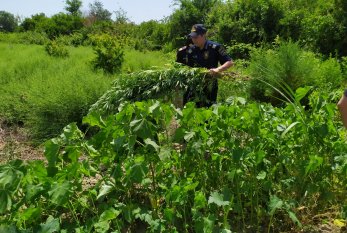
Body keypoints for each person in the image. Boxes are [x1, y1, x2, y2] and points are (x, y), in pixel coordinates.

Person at [176, 24, 233, 107]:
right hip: (193, 85)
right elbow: (186, 67)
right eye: (192, 37)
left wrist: (218, 70)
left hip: (209, 85)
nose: (193, 40)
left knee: (207, 111)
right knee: (189, 109)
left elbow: (229, 62)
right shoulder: (191, 50)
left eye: (196, 37)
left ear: (203, 35)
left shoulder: (215, 47)